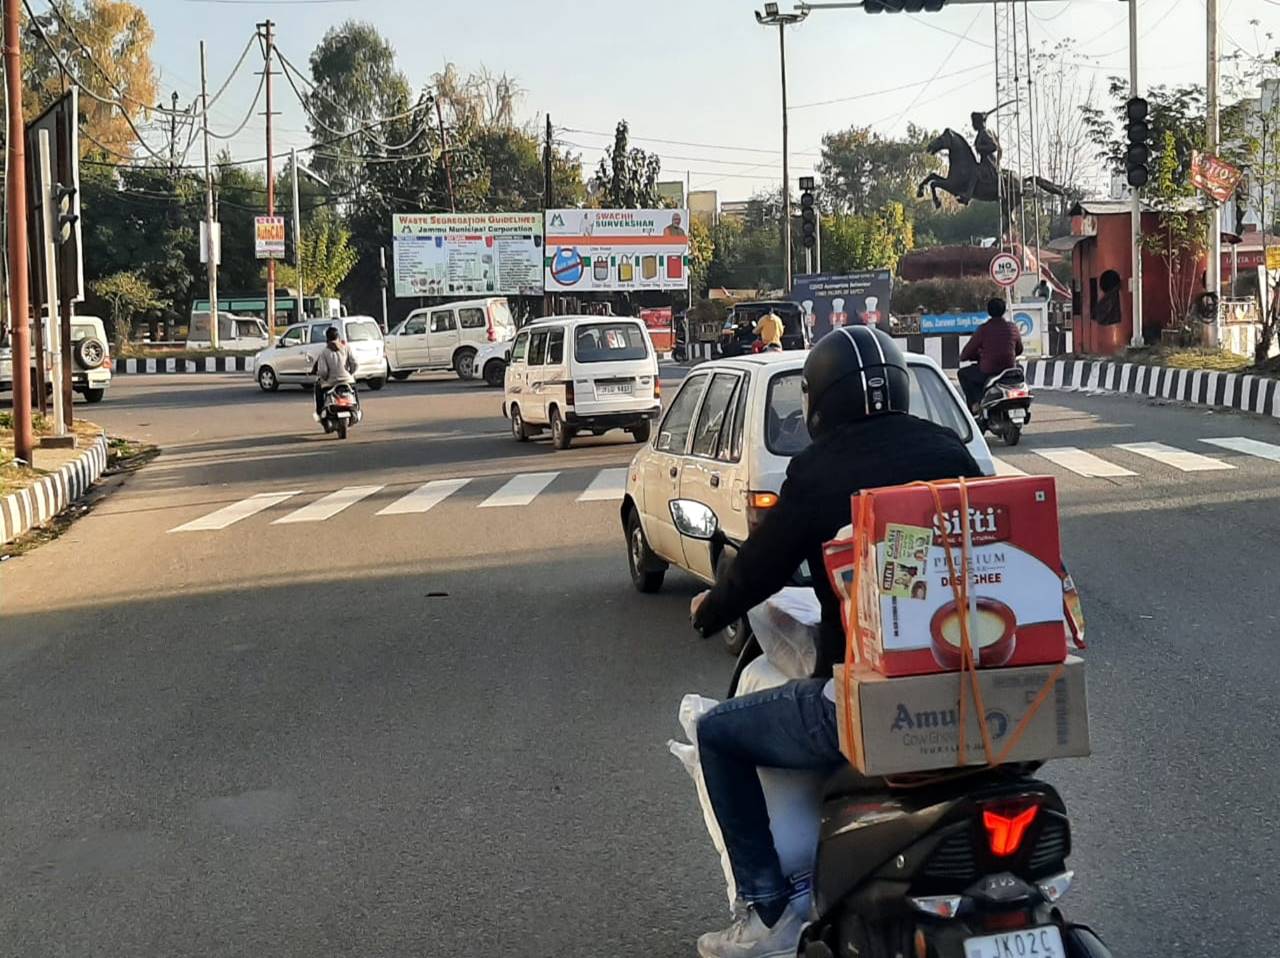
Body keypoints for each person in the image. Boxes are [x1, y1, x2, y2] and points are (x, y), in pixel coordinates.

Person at [688, 326, 983, 958]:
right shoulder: (950, 451)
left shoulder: (818, 471)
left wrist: (712, 609)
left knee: (717, 733)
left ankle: (769, 912)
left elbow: (761, 566)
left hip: (865, 700)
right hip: (978, 693)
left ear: (819, 401)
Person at [958, 298, 1023, 412]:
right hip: (1010, 369)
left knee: (963, 373)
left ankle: (975, 404)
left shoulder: (984, 329)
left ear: (988, 311)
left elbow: (965, 354)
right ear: (1004, 310)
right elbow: (1019, 349)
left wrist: (975, 356)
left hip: (988, 371)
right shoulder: (1012, 327)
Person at [311, 326, 358, 421]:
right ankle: (357, 409)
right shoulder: (346, 348)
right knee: (354, 390)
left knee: (318, 388)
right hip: (347, 381)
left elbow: (323, 371)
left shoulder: (324, 352)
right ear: (338, 337)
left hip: (330, 383)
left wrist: (324, 378)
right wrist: (349, 374)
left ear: (327, 339)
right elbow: (355, 364)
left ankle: (320, 413)